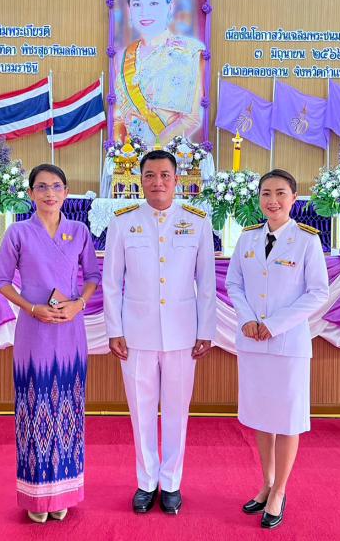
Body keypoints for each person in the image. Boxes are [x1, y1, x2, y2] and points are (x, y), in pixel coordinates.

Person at [103, 149, 216, 515]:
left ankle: (171, 483)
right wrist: (114, 329)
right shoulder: (123, 221)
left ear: (177, 179)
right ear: (140, 180)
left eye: (165, 175)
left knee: (176, 412)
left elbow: (207, 282)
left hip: (183, 334)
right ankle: (146, 481)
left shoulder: (197, 221)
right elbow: (111, 282)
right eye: (150, 175)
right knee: (141, 411)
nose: (158, 182)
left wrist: (206, 329)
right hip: (136, 335)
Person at [0, 164, 100, 524]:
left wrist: (78, 304)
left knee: (68, 407)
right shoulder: (18, 233)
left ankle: (65, 492)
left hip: (70, 329)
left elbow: (92, 277)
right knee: (35, 406)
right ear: (31, 194)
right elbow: (2, 280)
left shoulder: (79, 231)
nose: (49, 193)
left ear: (67, 192)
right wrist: (31, 307)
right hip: (34, 329)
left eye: (56, 186)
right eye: (41, 187)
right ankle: (37, 495)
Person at [225, 169, 329, 530]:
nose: (273, 200)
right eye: (266, 193)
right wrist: (249, 319)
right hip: (253, 342)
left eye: (281, 193)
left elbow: (318, 292)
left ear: (294, 198)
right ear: (259, 199)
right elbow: (233, 282)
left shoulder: (306, 241)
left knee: (286, 421)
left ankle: (280, 490)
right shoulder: (248, 237)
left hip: (287, 345)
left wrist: (275, 323)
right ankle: (266, 482)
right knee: (261, 417)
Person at [113, 0, 205, 148]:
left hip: (169, 155)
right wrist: (124, 149)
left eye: (153, 3)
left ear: (170, 7)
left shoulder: (189, 51)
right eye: (137, 4)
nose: (144, 11)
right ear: (129, 10)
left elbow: (191, 118)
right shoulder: (122, 56)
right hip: (129, 156)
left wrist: (154, 149)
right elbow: (119, 114)